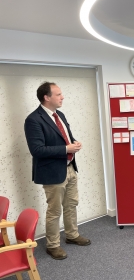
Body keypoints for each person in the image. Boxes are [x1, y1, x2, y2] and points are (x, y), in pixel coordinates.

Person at [24, 82, 91, 260]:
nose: (62, 97)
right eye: (58, 94)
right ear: (47, 97)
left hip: (70, 168)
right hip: (52, 172)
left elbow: (65, 137)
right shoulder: (33, 120)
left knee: (71, 205)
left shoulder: (59, 114)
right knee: (54, 211)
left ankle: (72, 235)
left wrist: (74, 143)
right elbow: (37, 150)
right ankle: (52, 245)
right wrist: (66, 149)